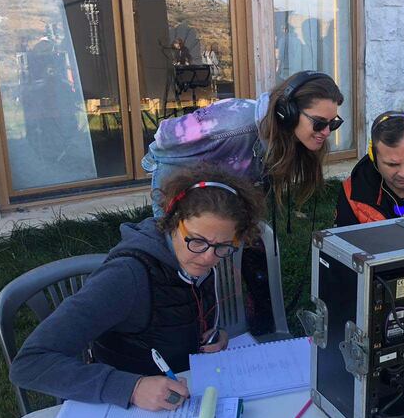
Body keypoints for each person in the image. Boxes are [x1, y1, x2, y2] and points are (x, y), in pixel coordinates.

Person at [9, 166, 265, 411]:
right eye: (198, 241)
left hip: (182, 395)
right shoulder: (127, 277)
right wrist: (131, 387)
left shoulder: (194, 261)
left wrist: (213, 335)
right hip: (121, 411)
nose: (209, 258)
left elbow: (172, 319)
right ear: (173, 220)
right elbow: (30, 363)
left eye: (223, 247)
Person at [142, 70, 344, 334]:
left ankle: (261, 326)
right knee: (184, 260)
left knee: (254, 244)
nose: (326, 132)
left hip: (228, 183)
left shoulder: (279, 134)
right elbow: (164, 139)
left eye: (333, 124)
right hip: (179, 176)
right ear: (287, 112)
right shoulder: (234, 124)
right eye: (319, 123)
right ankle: (183, 332)